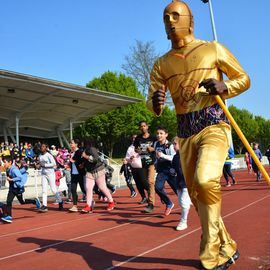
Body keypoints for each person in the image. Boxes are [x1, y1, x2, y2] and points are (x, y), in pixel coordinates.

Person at [147, 1, 250, 269]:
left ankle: (210, 254)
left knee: (205, 182)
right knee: (197, 195)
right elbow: (151, 103)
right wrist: (156, 103)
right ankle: (228, 245)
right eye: (166, 17)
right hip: (185, 132)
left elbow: (244, 79)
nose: (170, 21)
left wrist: (224, 85)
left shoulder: (212, 49)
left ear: (190, 20)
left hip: (214, 124)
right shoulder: (161, 64)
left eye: (176, 15)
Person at [1, 155, 41, 223]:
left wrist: (12, 179)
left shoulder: (14, 170)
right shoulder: (8, 169)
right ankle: (9, 216)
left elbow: (20, 177)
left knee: (22, 202)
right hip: (12, 189)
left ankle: (34, 201)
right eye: (3, 162)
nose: (3, 164)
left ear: (10, 162)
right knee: (8, 201)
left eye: (5, 162)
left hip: (18, 188)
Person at [81, 146, 116, 213]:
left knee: (102, 187)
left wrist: (86, 157)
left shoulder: (92, 149)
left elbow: (96, 159)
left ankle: (111, 202)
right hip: (89, 172)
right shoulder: (81, 151)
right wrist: (83, 164)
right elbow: (85, 161)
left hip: (98, 170)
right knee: (88, 188)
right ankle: (88, 205)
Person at [153, 126, 177, 216]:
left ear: (166, 135)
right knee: (157, 188)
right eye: (157, 133)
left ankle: (185, 203)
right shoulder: (156, 144)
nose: (159, 135)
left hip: (171, 170)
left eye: (161, 133)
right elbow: (156, 155)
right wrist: (156, 162)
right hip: (161, 171)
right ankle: (169, 203)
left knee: (178, 190)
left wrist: (163, 155)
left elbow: (173, 158)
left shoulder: (170, 145)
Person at [134, 121, 156, 213]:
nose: (143, 128)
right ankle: (154, 193)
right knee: (143, 182)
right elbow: (135, 148)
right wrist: (137, 150)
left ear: (147, 127)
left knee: (150, 181)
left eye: (144, 126)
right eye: (141, 126)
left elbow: (158, 147)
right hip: (141, 163)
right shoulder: (138, 138)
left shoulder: (153, 137)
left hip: (151, 162)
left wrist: (153, 149)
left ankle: (150, 204)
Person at [171, 137, 191, 231]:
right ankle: (190, 201)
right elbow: (174, 168)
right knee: (181, 201)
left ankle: (183, 221)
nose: (173, 146)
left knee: (183, 203)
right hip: (178, 182)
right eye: (173, 144)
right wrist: (172, 170)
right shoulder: (175, 157)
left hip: (187, 182)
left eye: (175, 144)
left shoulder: (187, 155)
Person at [38, 143, 63, 212]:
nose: (42, 148)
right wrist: (39, 166)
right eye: (41, 147)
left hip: (50, 174)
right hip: (43, 174)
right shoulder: (40, 156)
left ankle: (60, 201)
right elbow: (40, 164)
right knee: (44, 190)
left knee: (54, 189)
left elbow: (54, 164)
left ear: (46, 148)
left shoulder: (49, 155)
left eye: (43, 146)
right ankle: (44, 205)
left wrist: (45, 165)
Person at [125, 135, 148, 204]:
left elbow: (147, 153)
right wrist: (130, 158)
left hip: (142, 167)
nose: (134, 139)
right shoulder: (130, 148)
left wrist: (140, 152)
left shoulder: (142, 145)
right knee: (138, 184)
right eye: (133, 138)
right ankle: (143, 197)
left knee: (144, 182)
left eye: (136, 138)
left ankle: (152, 194)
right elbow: (127, 158)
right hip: (134, 167)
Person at [68, 139, 86, 212]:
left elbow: (84, 160)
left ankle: (90, 202)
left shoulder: (80, 151)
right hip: (73, 174)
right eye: (70, 143)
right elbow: (72, 162)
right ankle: (75, 206)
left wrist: (75, 161)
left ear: (76, 144)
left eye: (72, 143)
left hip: (80, 174)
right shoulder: (72, 152)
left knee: (84, 189)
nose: (70, 144)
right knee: (73, 189)